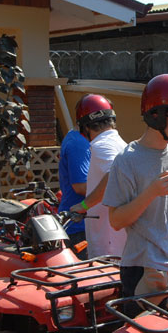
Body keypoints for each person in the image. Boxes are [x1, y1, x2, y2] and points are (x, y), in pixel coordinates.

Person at [102, 73, 168, 303]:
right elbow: (116, 220)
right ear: (156, 116)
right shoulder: (127, 160)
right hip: (147, 268)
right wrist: (151, 192)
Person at [68, 94, 127, 257]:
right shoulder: (121, 144)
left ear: (85, 126)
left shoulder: (102, 145)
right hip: (119, 238)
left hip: (109, 242)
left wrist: (84, 205)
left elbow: (116, 176)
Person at [57, 95, 93, 259]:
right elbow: (80, 186)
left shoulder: (75, 138)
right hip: (79, 227)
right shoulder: (79, 143)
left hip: (81, 223)